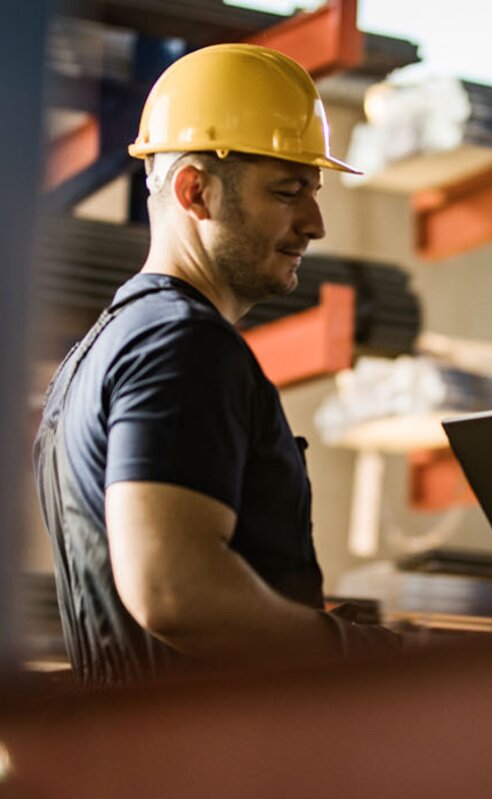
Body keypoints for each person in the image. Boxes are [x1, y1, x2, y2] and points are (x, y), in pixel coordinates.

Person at [34, 44, 398, 686]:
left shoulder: (99, 353)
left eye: (313, 192)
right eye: (288, 192)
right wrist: (362, 654)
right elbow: (175, 591)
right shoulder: (183, 346)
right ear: (194, 191)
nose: (314, 223)